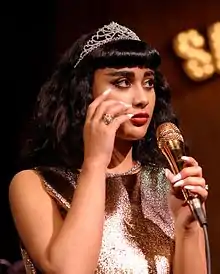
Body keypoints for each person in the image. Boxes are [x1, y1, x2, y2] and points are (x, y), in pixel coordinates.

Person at [9, 21, 208, 274]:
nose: (141, 98)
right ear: (84, 94)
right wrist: (95, 162)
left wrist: (188, 228)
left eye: (148, 83)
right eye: (123, 82)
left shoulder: (167, 183)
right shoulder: (35, 184)